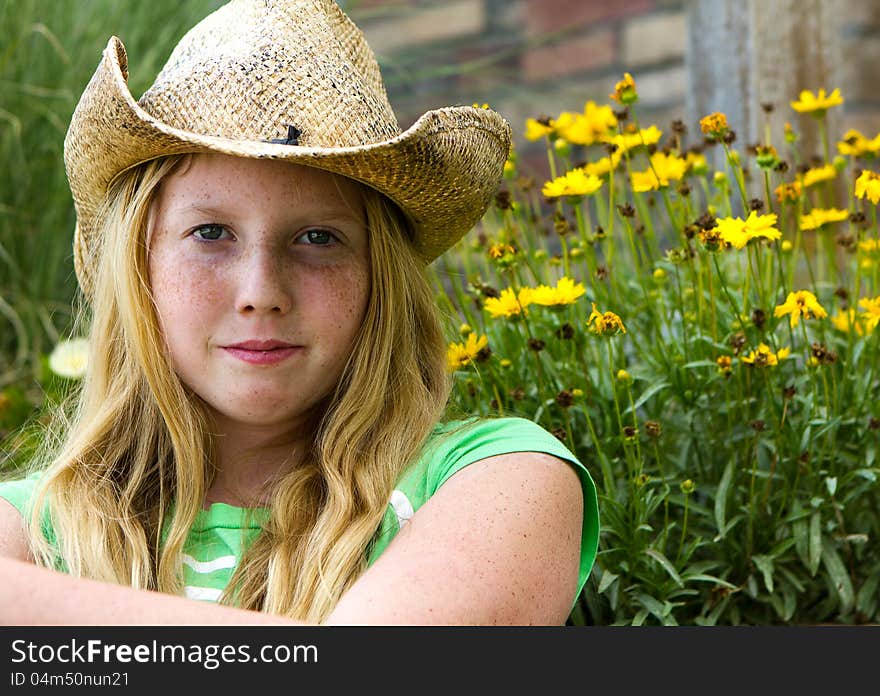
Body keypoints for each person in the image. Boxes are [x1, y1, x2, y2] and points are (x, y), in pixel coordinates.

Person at [0, 0, 598, 626]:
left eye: (317, 238)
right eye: (210, 233)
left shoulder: (496, 478)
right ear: (139, 264)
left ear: (379, 278)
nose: (262, 291)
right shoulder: (33, 528)